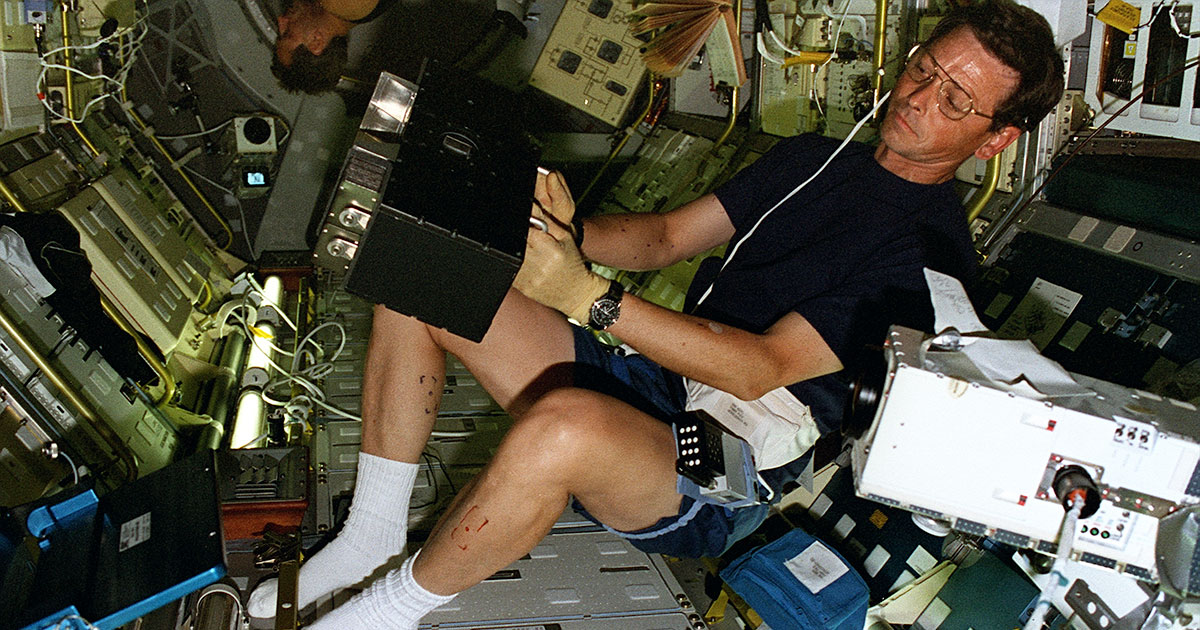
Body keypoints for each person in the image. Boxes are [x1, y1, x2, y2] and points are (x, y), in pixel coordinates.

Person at [248, 0, 1065, 626]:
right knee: (425, 278)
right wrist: (560, 239)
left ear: (995, 141)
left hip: (730, 457)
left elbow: (763, 366)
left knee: (563, 426)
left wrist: (584, 297)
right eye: (925, 69)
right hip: (653, 373)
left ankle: (387, 609)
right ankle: (371, 534)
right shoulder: (816, 159)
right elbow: (667, 236)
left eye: (957, 100)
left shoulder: (930, 261)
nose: (921, 98)